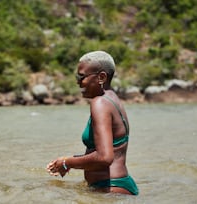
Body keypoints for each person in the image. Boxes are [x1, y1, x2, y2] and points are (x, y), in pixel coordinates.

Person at [46, 50, 139, 195]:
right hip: (119, 184)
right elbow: (108, 151)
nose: (77, 81)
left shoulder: (100, 103)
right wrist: (70, 160)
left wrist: (67, 162)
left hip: (110, 189)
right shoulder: (112, 99)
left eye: (81, 76)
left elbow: (104, 157)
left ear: (101, 77)